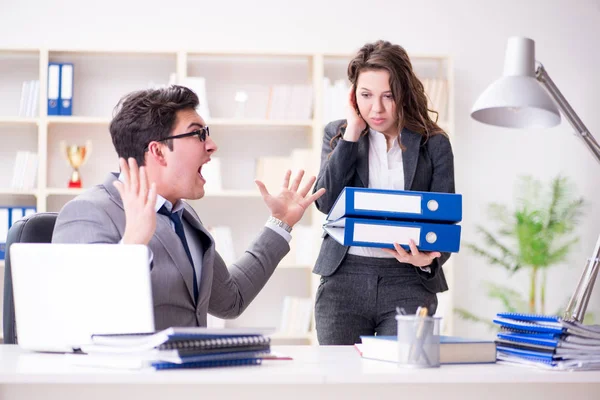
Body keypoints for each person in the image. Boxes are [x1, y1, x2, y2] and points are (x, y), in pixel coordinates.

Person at [52, 85, 325, 330]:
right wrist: (133, 244)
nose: (212, 145)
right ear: (158, 151)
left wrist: (281, 222)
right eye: (198, 134)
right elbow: (82, 317)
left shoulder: (183, 216)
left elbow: (231, 300)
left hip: (190, 381)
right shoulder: (88, 213)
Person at [312, 40, 455, 345]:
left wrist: (428, 260)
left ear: (404, 93)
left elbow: (445, 222)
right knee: (341, 383)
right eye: (365, 95)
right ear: (353, 96)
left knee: (402, 383)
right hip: (344, 280)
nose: (376, 108)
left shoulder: (435, 143)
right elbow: (325, 202)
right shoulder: (337, 134)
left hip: (408, 281)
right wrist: (352, 132)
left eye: (388, 96)